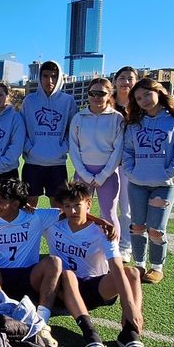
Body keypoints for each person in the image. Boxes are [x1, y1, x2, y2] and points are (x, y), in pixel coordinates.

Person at [48, 182, 149, 347]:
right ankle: (91, 335)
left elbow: (117, 267)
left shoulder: (103, 231)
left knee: (132, 272)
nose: (73, 211)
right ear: (61, 207)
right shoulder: (52, 222)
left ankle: (130, 334)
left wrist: (129, 306)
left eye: (77, 205)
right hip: (64, 290)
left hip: (94, 287)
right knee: (67, 274)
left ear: (88, 203)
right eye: (67, 206)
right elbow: (25, 210)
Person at [0, 178, 65, 340]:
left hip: (28, 276)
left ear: (16, 203)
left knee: (54, 262)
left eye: (1, 201)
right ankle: (2, 311)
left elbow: (70, 211)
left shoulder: (35, 216)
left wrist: (101, 222)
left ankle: (41, 321)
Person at [122, 77, 174, 284]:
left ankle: (157, 267)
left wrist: (171, 170)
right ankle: (139, 265)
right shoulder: (134, 124)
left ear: (158, 93)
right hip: (137, 183)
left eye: (147, 94)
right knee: (137, 225)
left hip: (164, 184)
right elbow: (127, 150)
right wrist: (131, 171)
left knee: (156, 228)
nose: (143, 100)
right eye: (138, 97)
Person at [69, 77, 126, 238]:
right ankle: (79, 248)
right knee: (78, 213)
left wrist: (103, 175)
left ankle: (112, 254)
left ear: (109, 94)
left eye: (101, 93)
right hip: (83, 173)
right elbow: (74, 148)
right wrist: (84, 173)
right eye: (92, 93)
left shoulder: (117, 118)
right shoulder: (79, 118)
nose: (96, 97)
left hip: (108, 175)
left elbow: (118, 150)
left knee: (108, 214)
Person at [22, 59, 75, 207]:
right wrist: (29, 148)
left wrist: (62, 148)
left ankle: (56, 231)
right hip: (33, 162)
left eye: (54, 76)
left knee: (58, 205)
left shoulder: (68, 101)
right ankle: (32, 231)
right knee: (29, 204)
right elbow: (22, 129)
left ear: (59, 78)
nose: (49, 80)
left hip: (57, 163)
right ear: (40, 77)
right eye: (45, 76)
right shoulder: (29, 101)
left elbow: (72, 130)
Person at [112, 65, 140, 260]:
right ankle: (108, 242)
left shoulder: (141, 104)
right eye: (122, 78)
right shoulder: (107, 101)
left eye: (130, 78)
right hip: (108, 163)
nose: (126, 82)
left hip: (130, 165)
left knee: (126, 207)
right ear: (115, 81)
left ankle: (125, 246)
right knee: (108, 207)